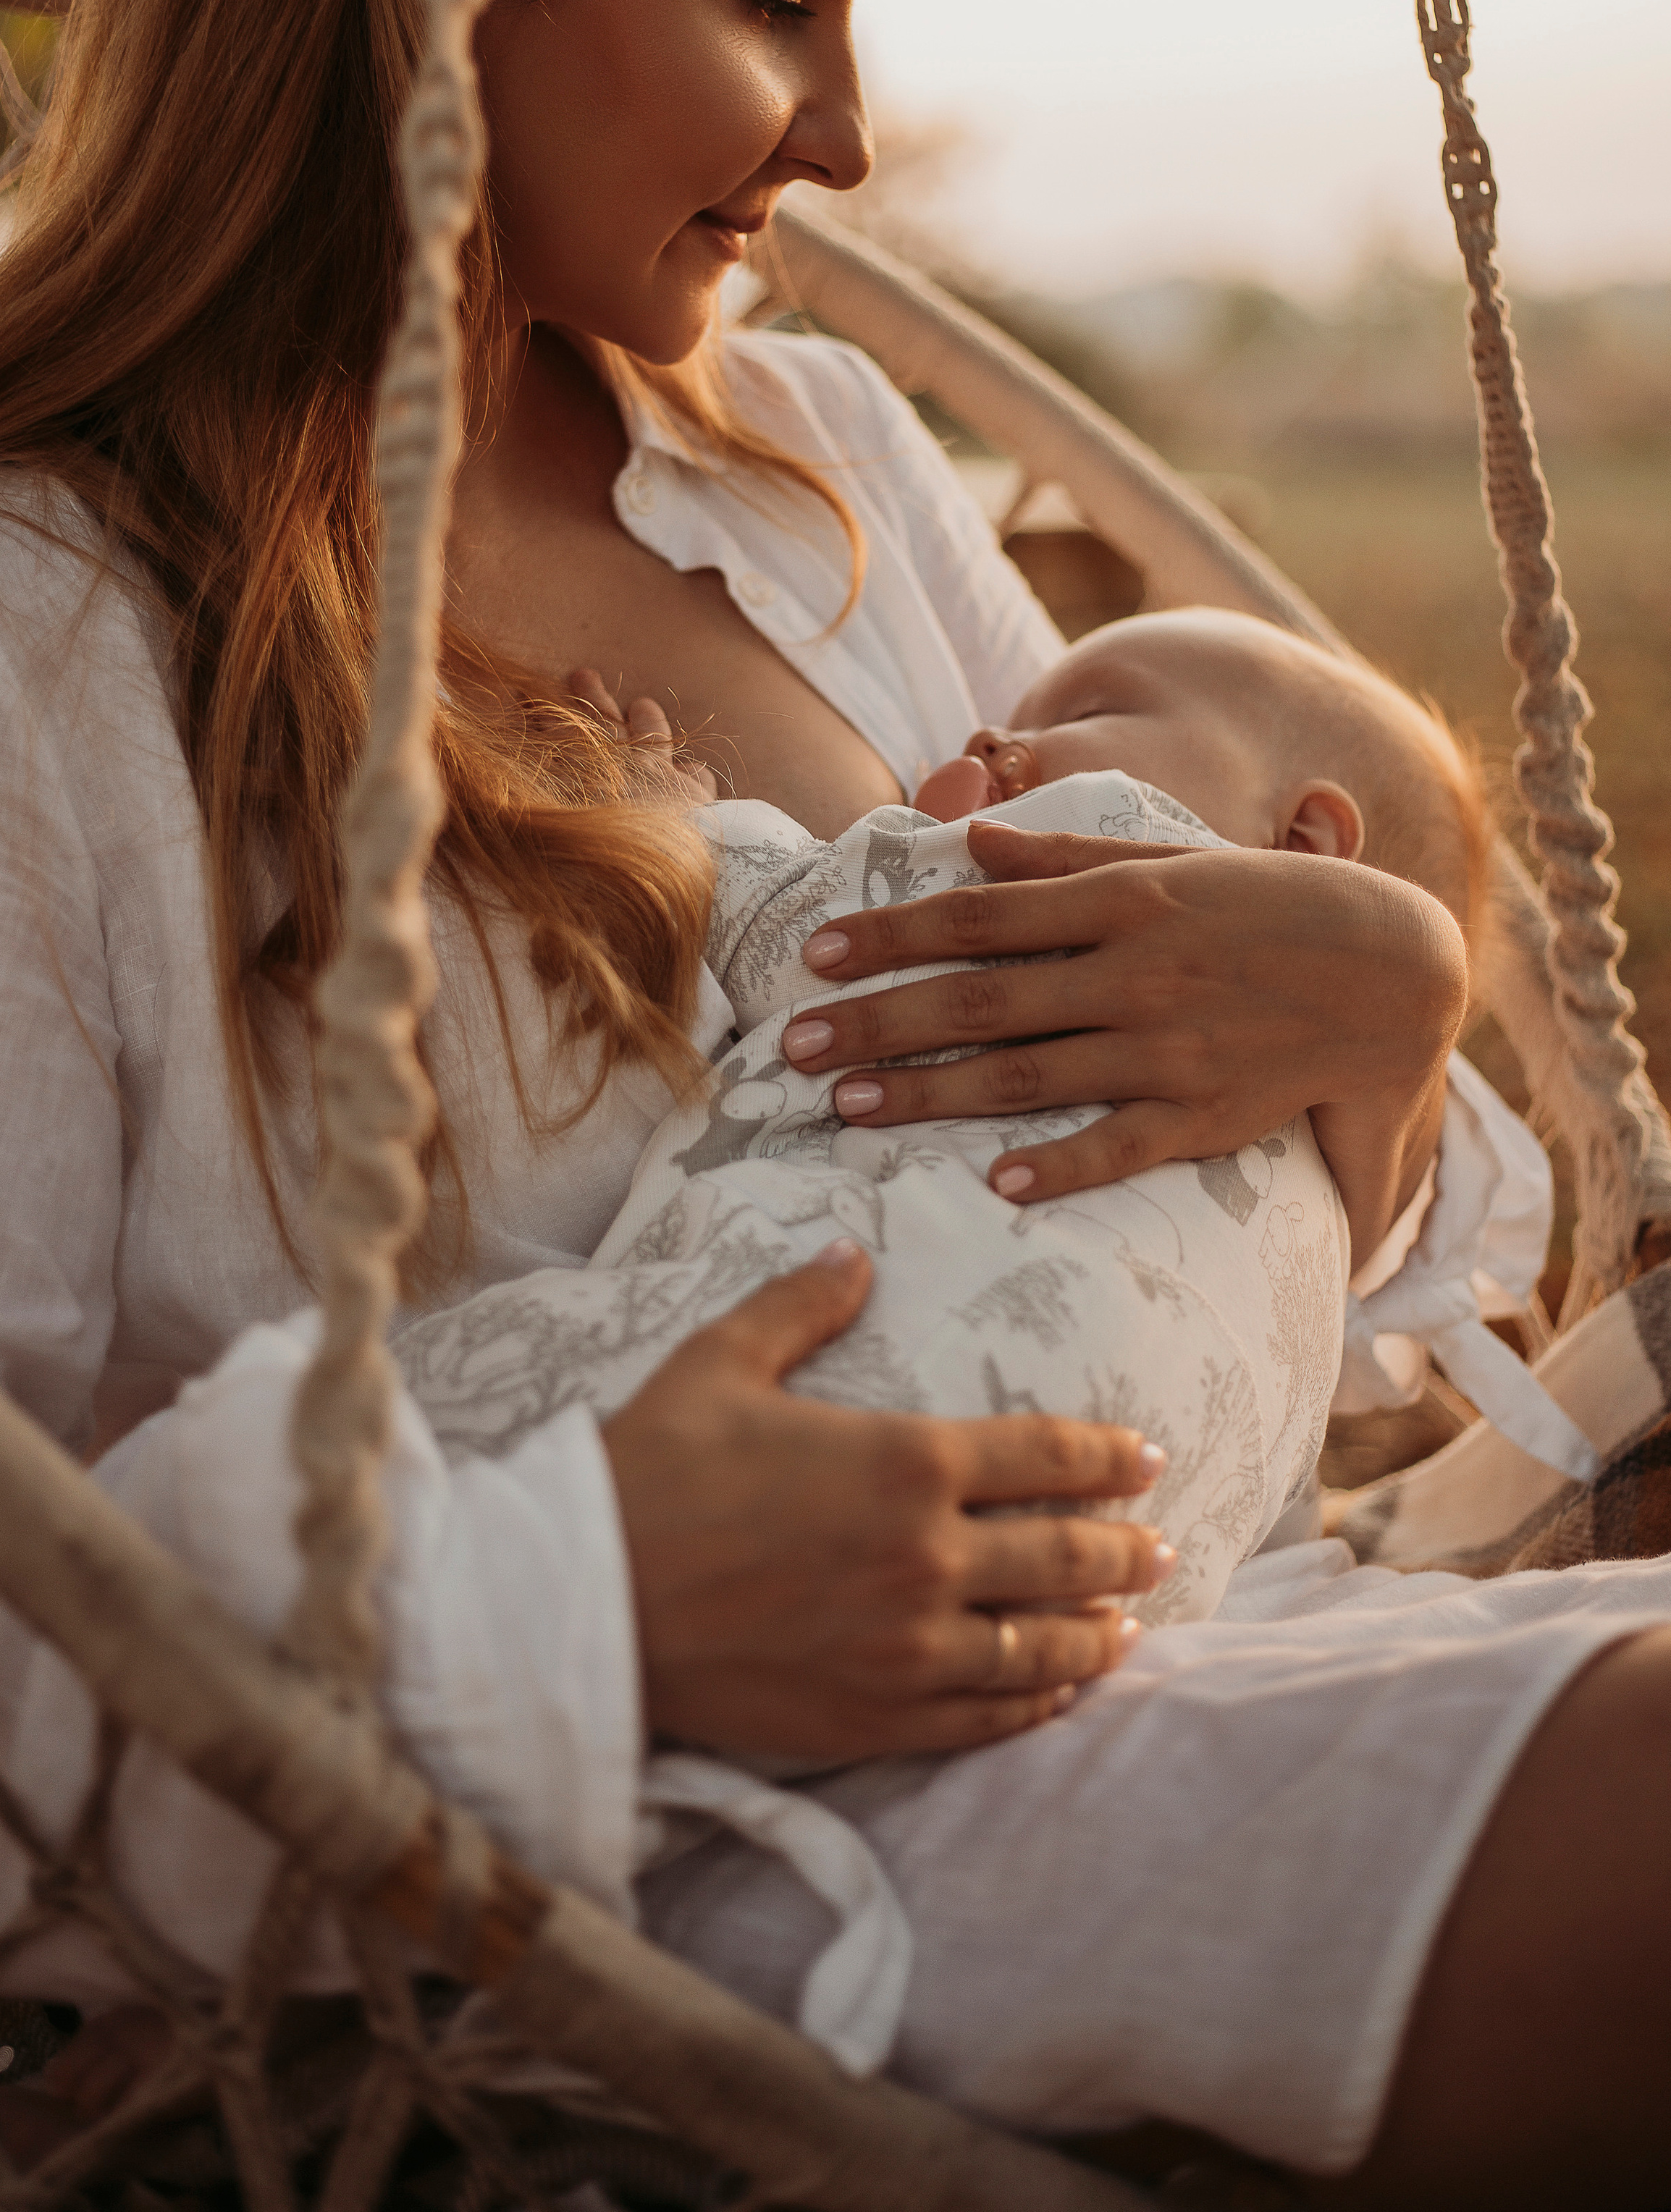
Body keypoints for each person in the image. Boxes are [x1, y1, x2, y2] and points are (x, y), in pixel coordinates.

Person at [0, 0, 1671, 2204]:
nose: (845, 134)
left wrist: (1374, 1025)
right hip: (659, 1884)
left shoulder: (819, 470)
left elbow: (1224, 1300)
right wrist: (577, 1600)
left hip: (1201, 1628)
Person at [401, 612, 1502, 1640]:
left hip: (781, 1425)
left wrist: (654, 807)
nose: (990, 732)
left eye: (1073, 716)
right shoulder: (1321, 1218)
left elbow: (795, 926)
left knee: (395, 1430)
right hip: (1064, 1604)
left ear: (1305, 842)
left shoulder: (1107, 852)